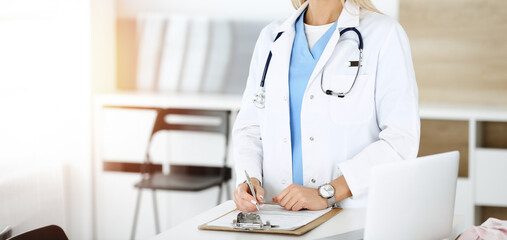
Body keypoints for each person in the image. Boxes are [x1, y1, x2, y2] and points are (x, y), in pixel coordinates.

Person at [233, 0, 420, 212]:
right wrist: (249, 180)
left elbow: (400, 140)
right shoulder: (272, 37)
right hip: (277, 214)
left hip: (352, 215)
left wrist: (327, 193)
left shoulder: (383, 34)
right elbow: (250, 128)